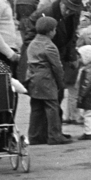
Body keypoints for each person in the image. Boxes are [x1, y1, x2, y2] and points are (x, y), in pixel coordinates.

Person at [25, 15, 67, 146]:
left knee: (36, 107)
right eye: (54, 29)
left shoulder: (32, 43)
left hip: (33, 78)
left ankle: (35, 136)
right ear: (50, 31)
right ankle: (54, 136)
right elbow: (57, 67)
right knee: (52, 106)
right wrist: (60, 83)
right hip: (46, 78)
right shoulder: (50, 46)